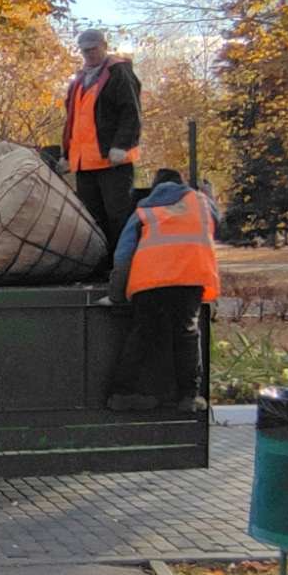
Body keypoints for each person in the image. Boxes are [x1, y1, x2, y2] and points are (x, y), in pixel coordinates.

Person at [107, 168, 220, 413]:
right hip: (189, 280)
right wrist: (208, 193)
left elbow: (123, 255)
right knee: (187, 334)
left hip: (148, 283)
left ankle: (121, 394)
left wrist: (116, 294)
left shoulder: (144, 208)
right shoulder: (200, 203)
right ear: (182, 184)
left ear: (155, 187)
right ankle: (189, 398)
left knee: (142, 334)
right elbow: (217, 221)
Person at [60, 28, 142, 269]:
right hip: (84, 163)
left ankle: (124, 268)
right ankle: (101, 268)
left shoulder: (119, 73)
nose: (89, 54)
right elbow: (72, 120)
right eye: (85, 50)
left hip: (113, 162)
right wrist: (67, 155)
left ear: (104, 46)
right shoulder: (79, 80)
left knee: (118, 216)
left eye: (93, 49)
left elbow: (131, 112)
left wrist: (121, 146)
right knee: (92, 220)